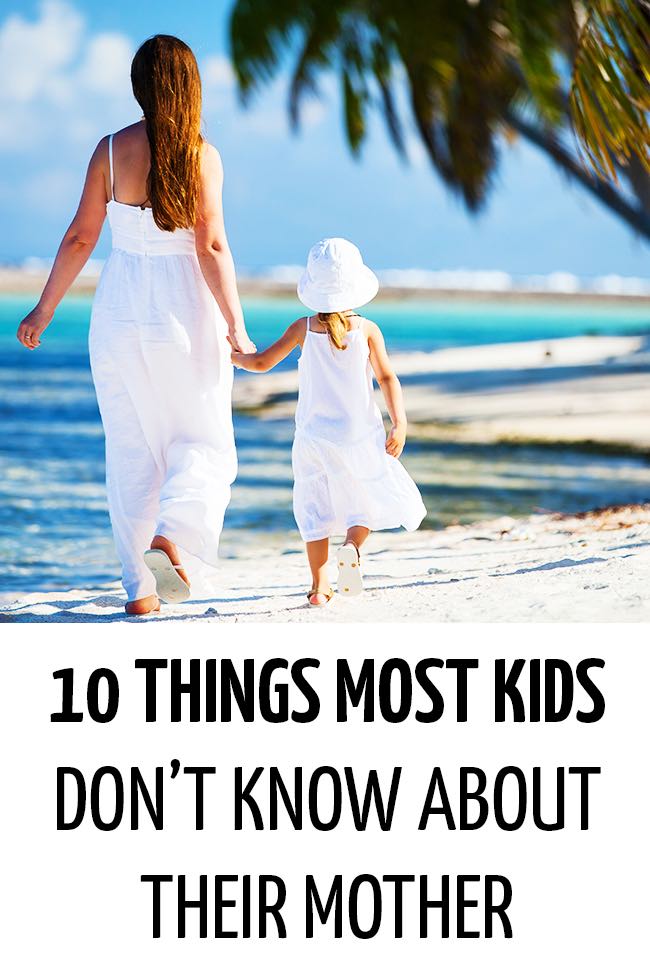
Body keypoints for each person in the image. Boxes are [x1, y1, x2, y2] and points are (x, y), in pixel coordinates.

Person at [17, 34, 255, 616]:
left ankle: (140, 593)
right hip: (184, 313)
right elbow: (212, 245)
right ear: (190, 86)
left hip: (120, 313)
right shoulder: (203, 155)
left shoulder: (110, 150)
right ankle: (172, 534)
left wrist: (44, 308)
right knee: (204, 442)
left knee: (130, 449)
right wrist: (237, 326)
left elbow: (80, 237)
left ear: (138, 85)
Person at [231, 237, 426, 606]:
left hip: (312, 437)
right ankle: (352, 547)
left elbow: (260, 364)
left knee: (314, 504)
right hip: (358, 434)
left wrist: (233, 357)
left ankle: (319, 587)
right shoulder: (367, 329)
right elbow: (387, 378)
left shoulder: (302, 328)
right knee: (364, 498)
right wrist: (399, 422)